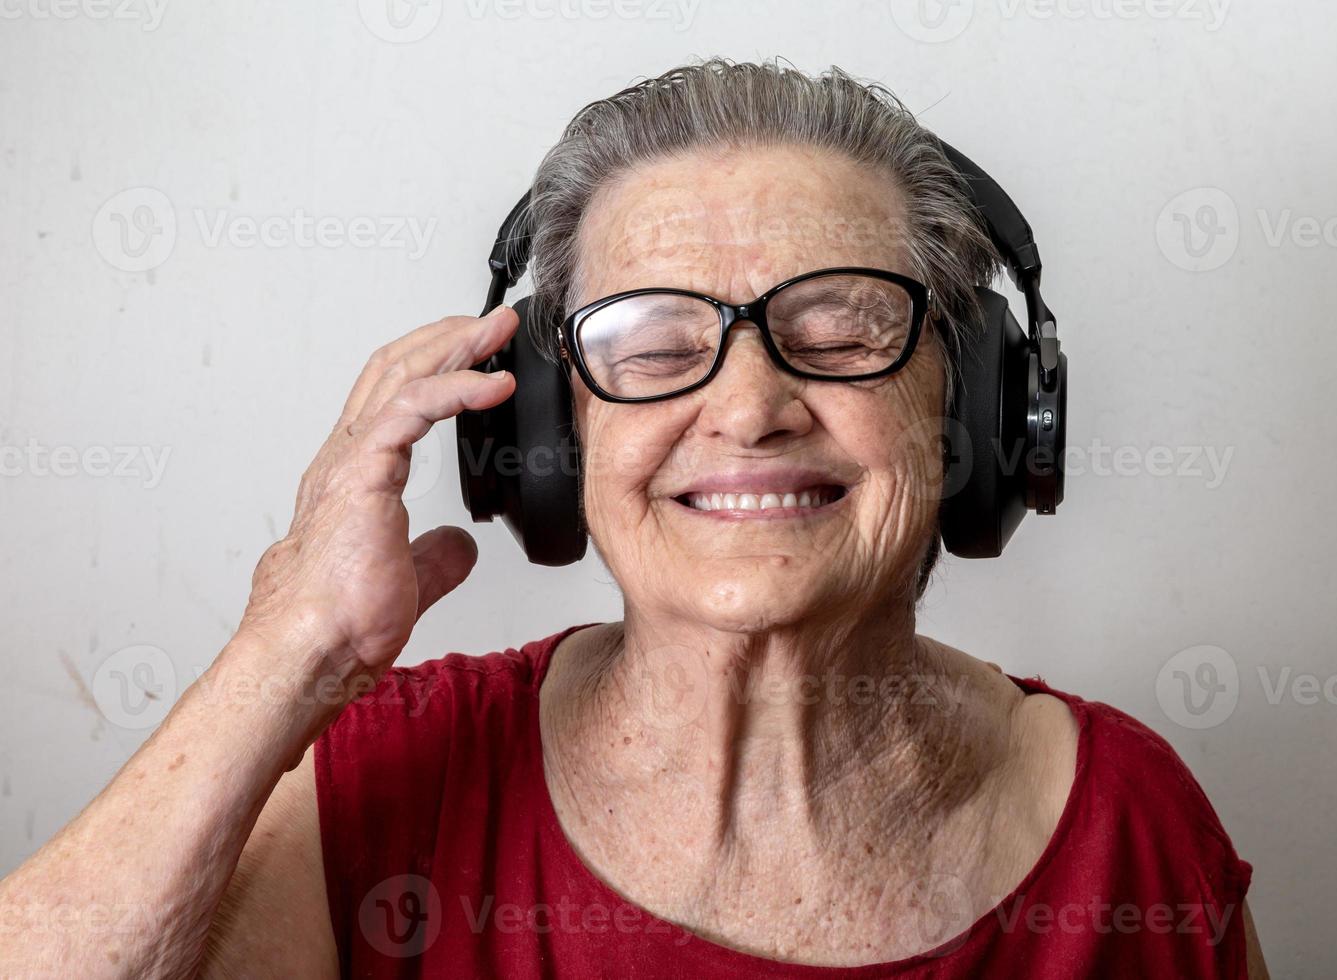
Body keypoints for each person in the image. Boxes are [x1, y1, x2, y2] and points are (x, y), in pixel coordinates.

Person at [0, 59, 1268, 977]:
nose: (751, 405)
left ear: (978, 409)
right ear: (545, 432)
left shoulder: (1135, 829)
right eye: (654, 343)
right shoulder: (382, 786)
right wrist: (293, 644)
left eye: (840, 328)